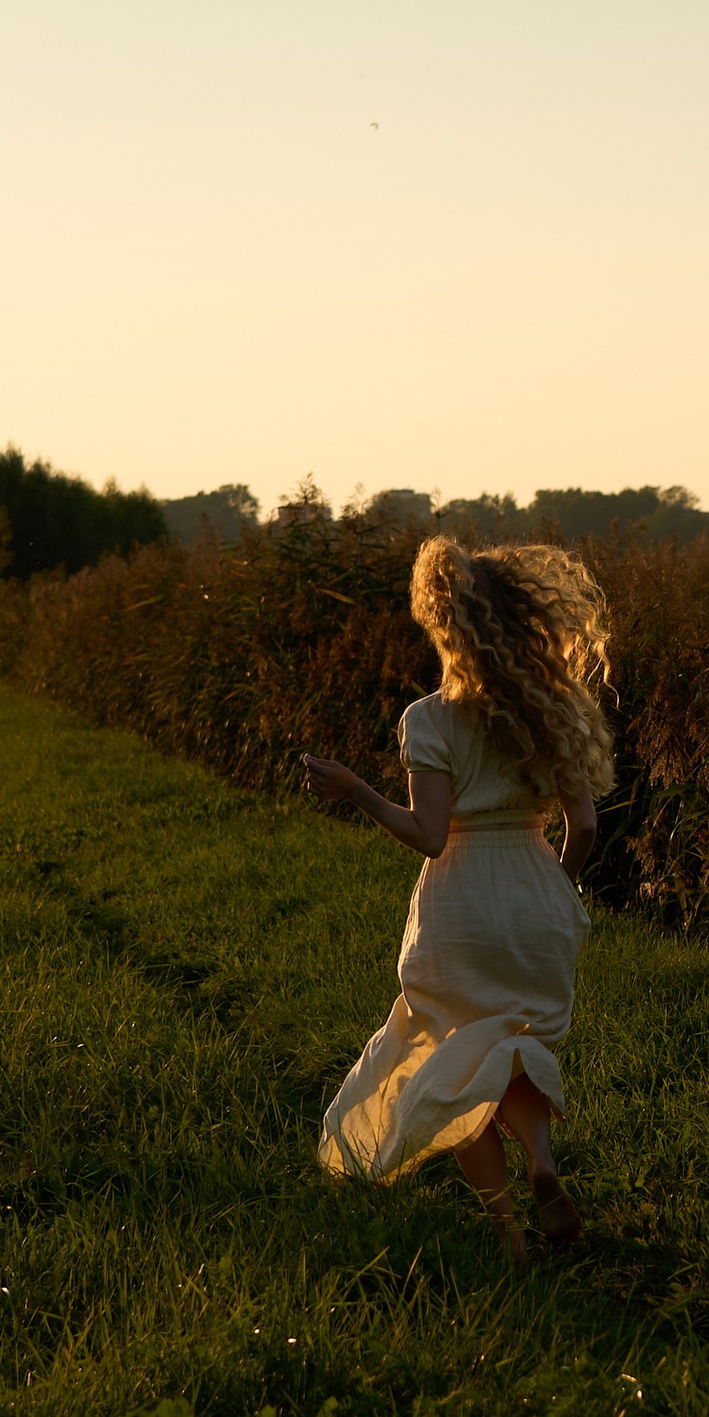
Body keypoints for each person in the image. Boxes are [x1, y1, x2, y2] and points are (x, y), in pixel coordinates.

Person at [303, 537, 613, 1254]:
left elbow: (431, 835)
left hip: (461, 903)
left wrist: (355, 790)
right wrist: (554, 886)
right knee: (512, 1042)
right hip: (536, 890)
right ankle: (541, 1160)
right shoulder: (551, 705)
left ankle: (506, 1229)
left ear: (444, 629)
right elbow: (587, 824)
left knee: (458, 1056)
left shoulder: (430, 718)